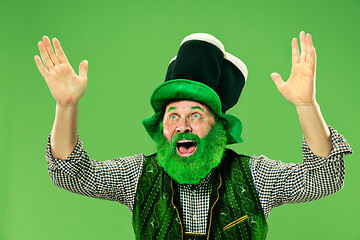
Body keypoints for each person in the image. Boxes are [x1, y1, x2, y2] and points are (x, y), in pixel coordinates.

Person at [34, 32, 352, 240]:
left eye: (195, 115)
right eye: (173, 116)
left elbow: (322, 178)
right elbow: (71, 175)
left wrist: (306, 105)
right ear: (163, 129)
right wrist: (66, 106)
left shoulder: (256, 176)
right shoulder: (137, 176)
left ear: (217, 126)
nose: (183, 125)